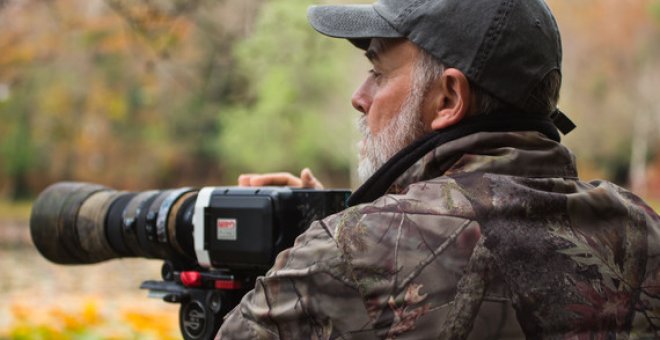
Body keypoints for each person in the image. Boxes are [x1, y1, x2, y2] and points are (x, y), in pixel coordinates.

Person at [217, 0, 660, 338]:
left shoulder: (350, 255)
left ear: (448, 98)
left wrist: (315, 252)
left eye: (377, 70)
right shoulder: (642, 229)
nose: (359, 95)